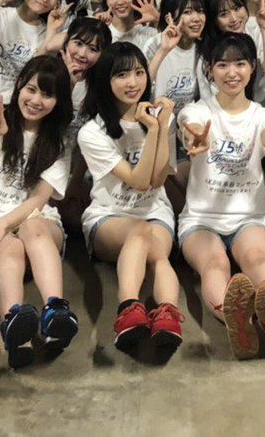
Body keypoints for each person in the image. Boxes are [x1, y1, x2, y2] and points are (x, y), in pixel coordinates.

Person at [177, 34, 265, 359]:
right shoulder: (196, 111)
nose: (232, 73)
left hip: (250, 216)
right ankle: (241, 320)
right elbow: (190, 128)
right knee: (213, 264)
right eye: (222, 65)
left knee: (258, 260)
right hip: (201, 219)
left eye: (240, 64)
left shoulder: (262, 115)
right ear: (209, 69)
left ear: (252, 67)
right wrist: (194, 140)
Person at [0, 56, 79, 368]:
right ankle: (17, 332)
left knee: (33, 225)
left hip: (35, 225)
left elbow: (39, 199)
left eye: (47, 94)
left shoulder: (57, 142)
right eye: (31, 89)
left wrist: (4, 223)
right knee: (11, 249)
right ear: (18, 86)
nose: (36, 100)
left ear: (58, 101)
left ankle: (55, 311)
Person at [77, 44, 183, 350]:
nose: (133, 82)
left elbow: (158, 179)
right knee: (139, 231)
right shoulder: (92, 132)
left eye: (139, 72)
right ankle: (128, 309)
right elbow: (138, 182)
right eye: (122, 75)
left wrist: (160, 127)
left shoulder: (160, 119)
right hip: (109, 217)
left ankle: (168, 315)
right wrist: (153, 131)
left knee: (157, 255)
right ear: (105, 81)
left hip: (154, 211)